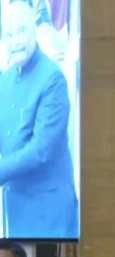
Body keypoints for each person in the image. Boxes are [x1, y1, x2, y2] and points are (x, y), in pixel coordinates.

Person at [0, 0, 77, 239]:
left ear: (34, 27)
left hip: (49, 213)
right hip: (16, 209)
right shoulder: (5, 79)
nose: (16, 41)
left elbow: (41, 150)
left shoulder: (53, 79)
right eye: (9, 34)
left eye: (21, 31)